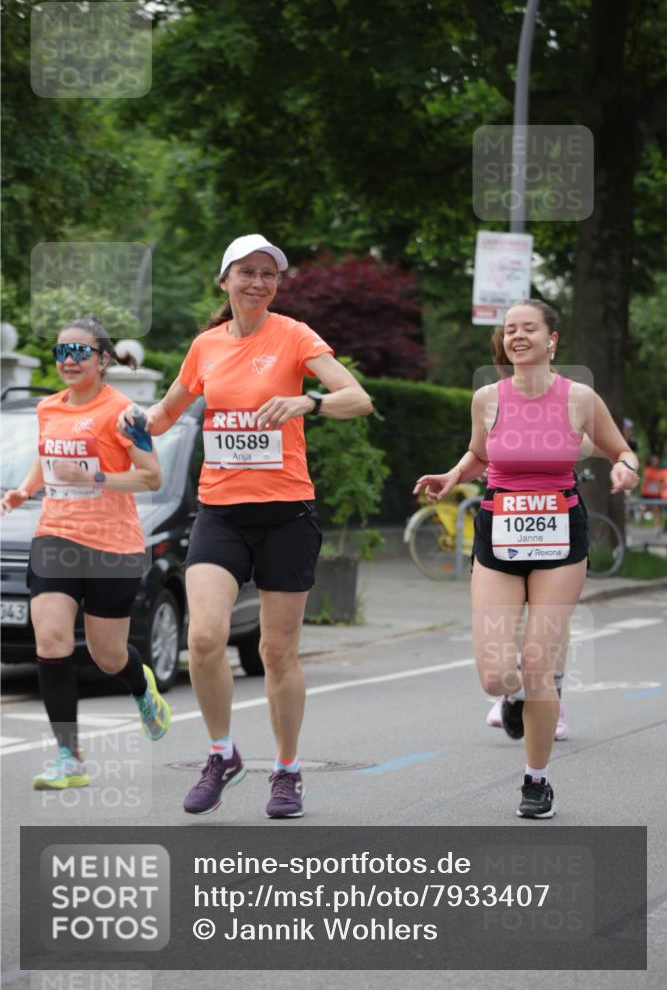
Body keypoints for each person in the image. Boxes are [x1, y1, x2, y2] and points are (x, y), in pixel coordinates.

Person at [119, 234, 372, 819]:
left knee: (277, 653)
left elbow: (357, 398)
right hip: (221, 513)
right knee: (204, 639)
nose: (258, 282)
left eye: (268, 274)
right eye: (247, 272)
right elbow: (165, 413)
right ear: (225, 280)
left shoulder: (294, 335)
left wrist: (308, 403)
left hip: (287, 514)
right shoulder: (205, 346)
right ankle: (221, 755)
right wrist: (130, 421)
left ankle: (287, 771)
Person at [415, 298, 639, 818]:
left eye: (528, 328)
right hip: (499, 530)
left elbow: (621, 450)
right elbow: (479, 454)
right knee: (496, 676)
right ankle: (512, 698)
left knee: (538, 664)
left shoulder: (578, 397)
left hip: (560, 535)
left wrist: (626, 469)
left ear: (551, 339)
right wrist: (453, 475)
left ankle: (536, 780)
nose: (517, 336)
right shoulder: (487, 399)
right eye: (510, 329)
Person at [1, 315, 170, 789]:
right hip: (55, 536)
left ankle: (141, 687)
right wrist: (23, 490)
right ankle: (68, 756)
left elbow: (151, 477)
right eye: (62, 352)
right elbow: (47, 456)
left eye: (80, 352)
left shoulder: (126, 414)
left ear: (103, 359)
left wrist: (95, 477)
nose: (69, 360)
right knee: (51, 641)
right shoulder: (48, 408)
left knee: (107, 656)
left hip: (112, 546)